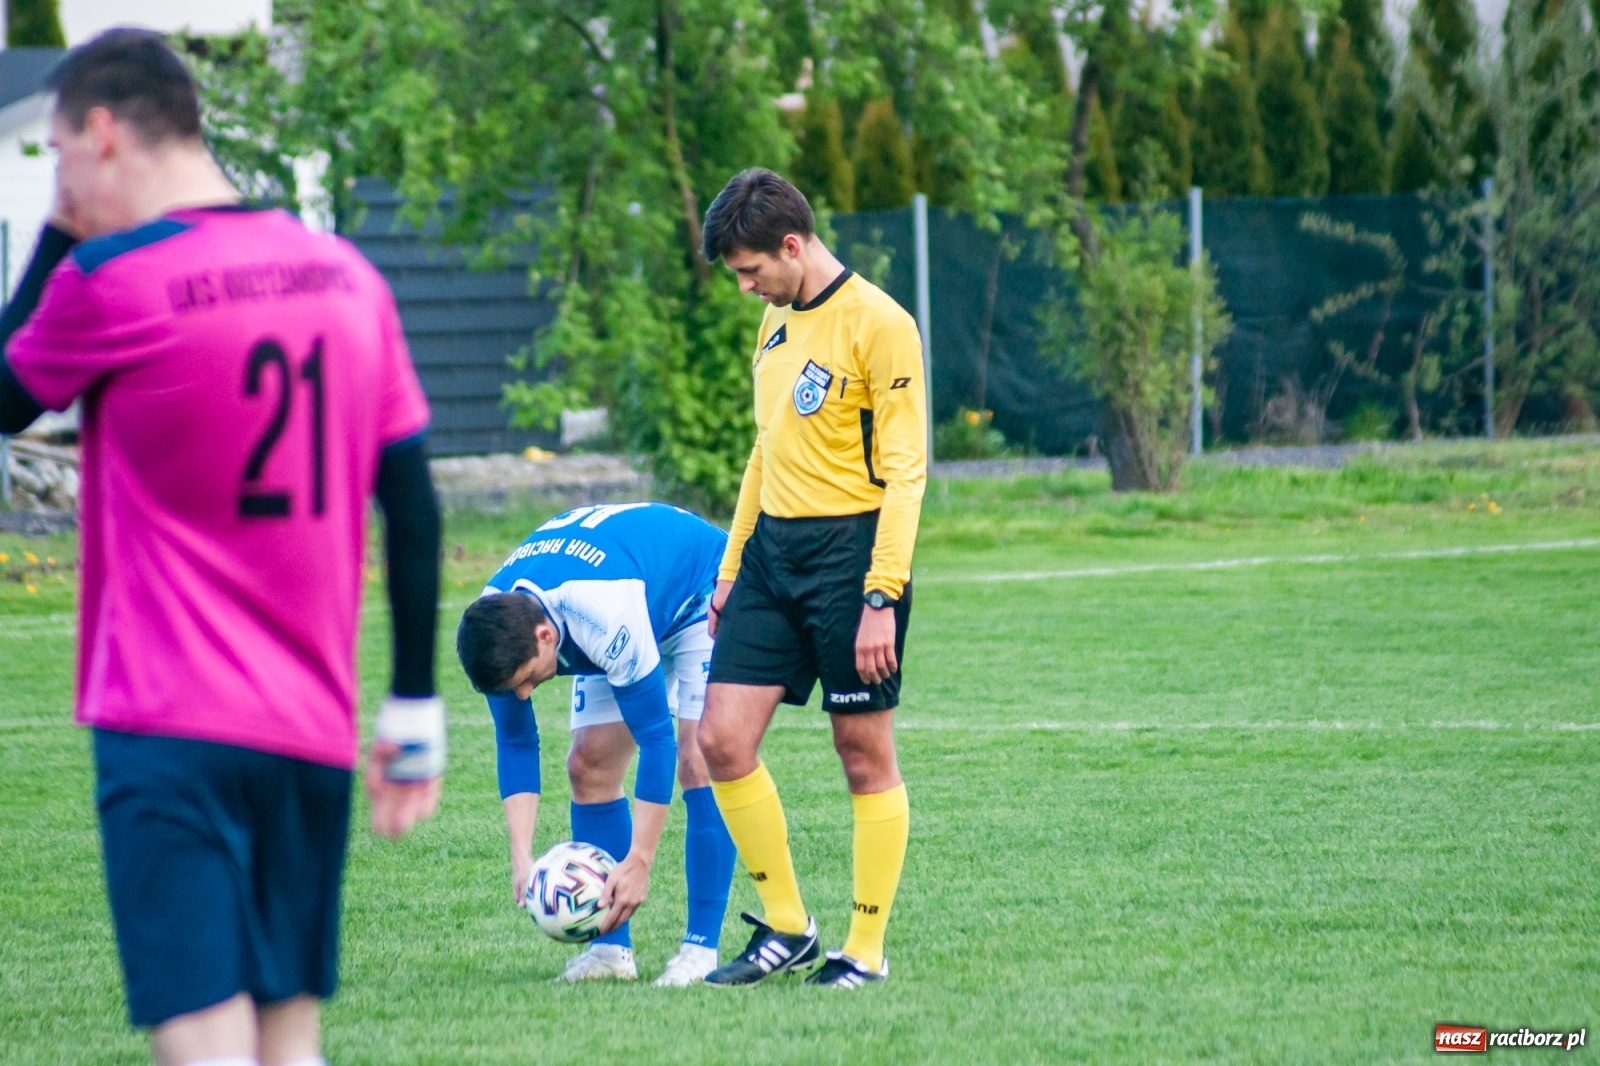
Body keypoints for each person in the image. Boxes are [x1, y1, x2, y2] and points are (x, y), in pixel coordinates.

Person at [0, 30, 445, 1066]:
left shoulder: (113, 277)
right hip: (309, 727)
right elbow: (412, 501)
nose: (63, 184)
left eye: (60, 157)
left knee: (202, 1044)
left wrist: (57, 241)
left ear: (103, 134)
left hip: (168, 723)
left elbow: (5, 395)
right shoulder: (345, 274)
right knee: (289, 1040)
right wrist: (415, 700)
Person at [693, 168, 926, 989]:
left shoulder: (881, 325)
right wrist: (730, 570)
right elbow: (766, 449)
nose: (749, 286)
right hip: (769, 559)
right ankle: (787, 927)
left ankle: (863, 950)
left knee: (861, 752)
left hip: (853, 560)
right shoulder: (776, 319)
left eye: (753, 269)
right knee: (720, 739)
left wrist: (880, 597)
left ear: (793, 246)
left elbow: (906, 474)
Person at [455, 501, 738, 986]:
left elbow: (656, 741)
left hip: (699, 593)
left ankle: (700, 949)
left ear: (546, 636)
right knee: (588, 766)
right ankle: (610, 950)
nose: (524, 694)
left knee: (699, 757)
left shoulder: (601, 612)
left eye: (527, 680)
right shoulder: (496, 621)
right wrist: (521, 856)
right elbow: (516, 740)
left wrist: (640, 862)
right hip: (634, 593)